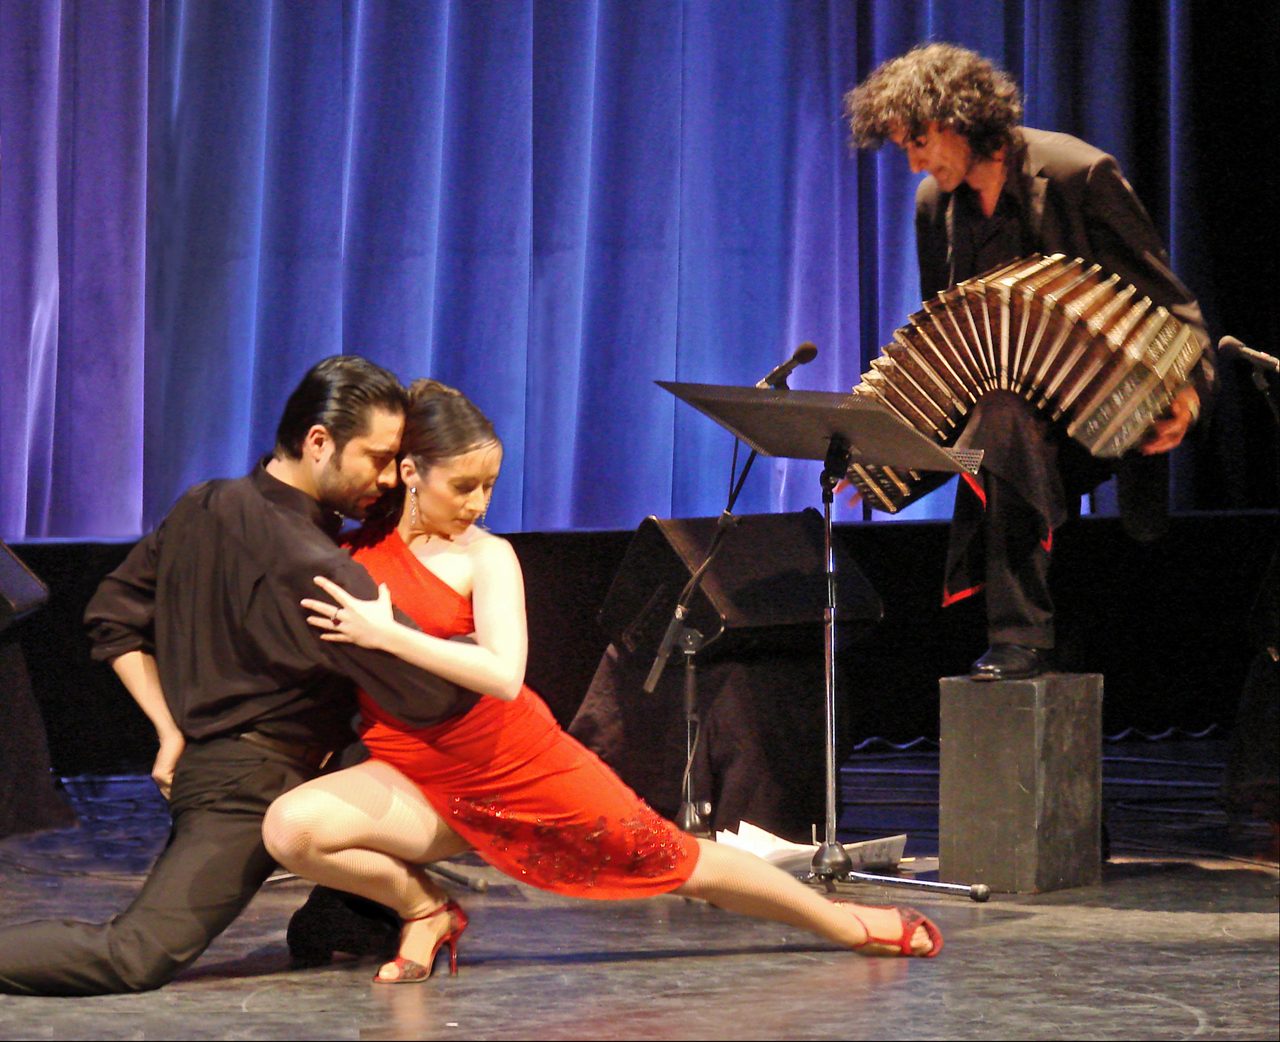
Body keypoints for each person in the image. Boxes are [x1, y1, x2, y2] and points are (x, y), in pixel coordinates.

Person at [262, 379, 943, 983]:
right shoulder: (359, 550)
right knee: (292, 830)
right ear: (410, 472)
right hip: (414, 769)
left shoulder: (487, 557)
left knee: (674, 861)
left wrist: (389, 636)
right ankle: (427, 911)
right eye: (462, 486)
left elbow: (503, 675)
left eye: (490, 486)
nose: (478, 502)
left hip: (515, 764)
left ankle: (847, 923)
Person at [0, 356, 472, 996]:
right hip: (247, 787)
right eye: (379, 458)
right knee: (134, 954)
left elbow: (113, 618)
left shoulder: (205, 503)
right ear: (318, 442)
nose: (390, 480)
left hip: (238, 765)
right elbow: (432, 695)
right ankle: (387, 908)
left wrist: (169, 729)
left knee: (375, 743)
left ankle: (345, 919)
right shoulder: (320, 566)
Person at [843, 42, 1215, 680]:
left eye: (919, 144)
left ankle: (1020, 634)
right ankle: (1016, 635)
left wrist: (1187, 393)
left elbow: (1171, 303)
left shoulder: (1078, 174)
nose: (913, 166)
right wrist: (884, 451)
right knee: (997, 416)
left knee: (1000, 420)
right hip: (1004, 433)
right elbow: (949, 343)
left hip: (1106, 414)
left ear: (956, 121)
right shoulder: (938, 208)